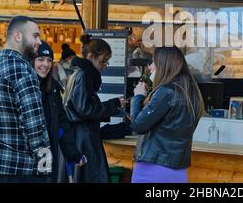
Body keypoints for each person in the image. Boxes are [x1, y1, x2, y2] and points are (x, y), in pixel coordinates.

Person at [0, 16, 52, 183]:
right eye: (35, 36)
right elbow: (34, 126)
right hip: (24, 170)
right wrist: (45, 163)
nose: (39, 42)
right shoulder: (25, 72)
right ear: (18, 36)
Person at [130, 46, 204, 183]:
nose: (150, 67)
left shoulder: (166, 92)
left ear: (164, 65)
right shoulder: (192, 93)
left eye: (153, 62)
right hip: (178, 168)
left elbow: (137, 125)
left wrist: (138, 97)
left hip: (152, 167)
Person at [64, 34, 124, 183]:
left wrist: (114, 106)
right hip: (83, 139)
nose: (104, 66)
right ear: (91, 56)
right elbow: (85, 109)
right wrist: (114, 104)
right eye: (103, 61)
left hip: (81, 137)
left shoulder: (78, 73)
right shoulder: (83, 75)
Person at [32, 41, 85, 183]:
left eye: (49, 60)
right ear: (32, 61)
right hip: (27, 159)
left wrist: (73, 154)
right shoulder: (26, 87)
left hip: (48, 156)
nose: (45, 64)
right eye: (40, 59)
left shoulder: (53, 89)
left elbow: (62, 124)